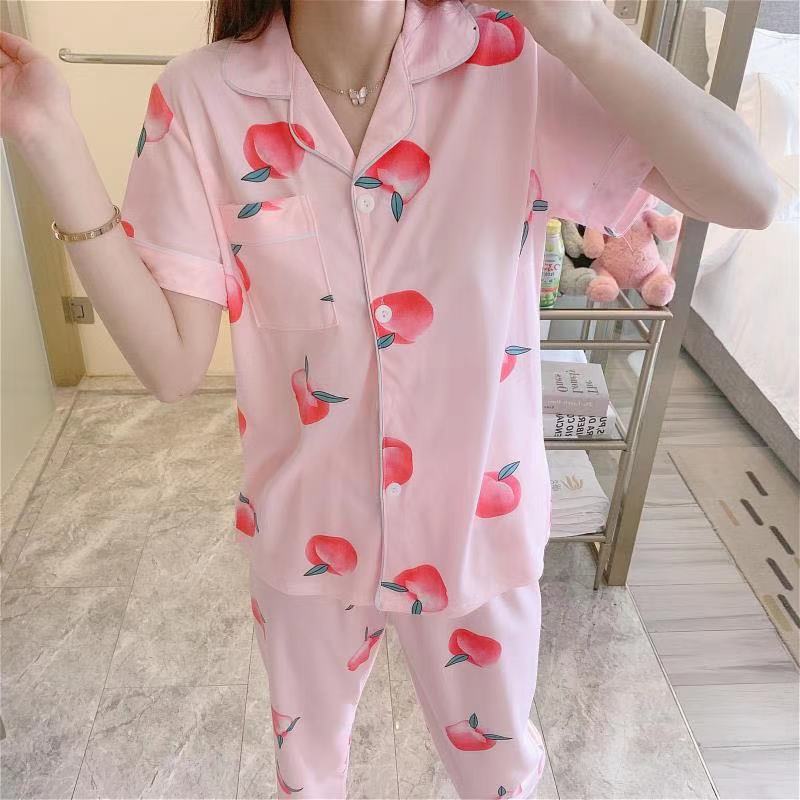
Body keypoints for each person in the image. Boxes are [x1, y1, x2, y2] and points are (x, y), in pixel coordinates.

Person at [0, 1, 779, 797]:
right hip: (309, 534)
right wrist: (47, 136)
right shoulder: (202, 96)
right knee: (308, 778)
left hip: (477, 531)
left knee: (500, 775)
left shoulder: (510, 64)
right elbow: (171, 367)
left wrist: (577, 27)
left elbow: (749, 196)